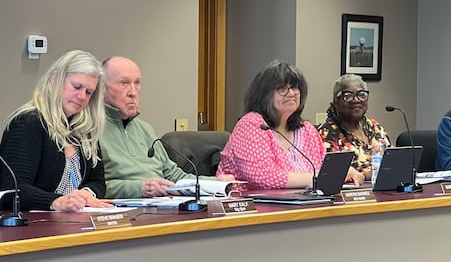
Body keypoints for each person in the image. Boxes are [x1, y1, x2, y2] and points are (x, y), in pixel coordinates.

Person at [100, 57, 233, 198]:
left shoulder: (145, 129)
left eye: (137, 83)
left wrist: (216, 182)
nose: (133, 92)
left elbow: (173, 175)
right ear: (102, 89)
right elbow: (90, 187)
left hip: (160, 205)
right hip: (122, 211)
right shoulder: (90, 130)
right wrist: (139, 188)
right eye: (124, 83)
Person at [217, 60, 364, 189]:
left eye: (295, 87)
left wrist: (343, 172)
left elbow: (321, 167)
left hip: (303, 205)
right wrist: (315, 179)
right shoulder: (251, 124)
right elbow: (262, 176)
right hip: (253, 210)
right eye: (282, 88)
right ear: (264, 94)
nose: (291, 93)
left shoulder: (306, 129)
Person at [0, 50, 111, 212]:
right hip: (33, 227)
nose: (82, 96)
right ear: (54, 79)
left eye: (89, 92)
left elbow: (98, 181)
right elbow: (13, 190)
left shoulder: (84, 129)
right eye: (77, 86)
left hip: (74, 222)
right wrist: (56, 201)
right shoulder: (27, 123)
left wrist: (87, 194)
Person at [318, 74, 392, 181]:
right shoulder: (327, 132)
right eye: (348, 96)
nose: (356, 100)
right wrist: (367, 174)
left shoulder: (374, 126)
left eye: (361, 95)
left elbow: (393, 160)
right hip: (349, 195)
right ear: (336, 102)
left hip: (386, 190)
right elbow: (331, 173)